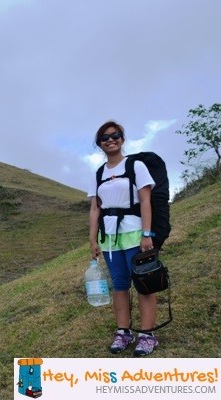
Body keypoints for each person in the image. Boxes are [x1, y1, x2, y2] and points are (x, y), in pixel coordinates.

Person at [88, 120, 159, 357]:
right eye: (105, 138)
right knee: (119, 285)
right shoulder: (98, 173)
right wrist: (92, 239)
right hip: (109, 239)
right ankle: (123, 332)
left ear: (122, 138)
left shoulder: (135, 166)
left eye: (115, 135)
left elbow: (146, 201)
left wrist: (147, 234)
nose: (110, 140)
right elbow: (95, 209)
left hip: (135, 233)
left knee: (144, 283)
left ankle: (147, 335)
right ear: (100, 144)